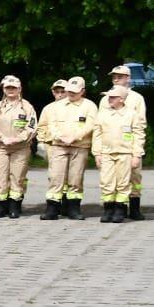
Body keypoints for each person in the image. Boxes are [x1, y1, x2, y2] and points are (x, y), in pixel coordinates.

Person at [38, 75, 97, 220]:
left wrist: (75, 136)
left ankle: (74, 209)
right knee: (55, 177)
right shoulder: (56, 106)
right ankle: (52, 208)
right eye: (69, 90)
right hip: (59, 146)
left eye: (75, 91)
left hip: (79, 146)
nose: (71, 94)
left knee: (75, 178)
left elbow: (91, 125)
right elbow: (51, 124)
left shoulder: (89, 106)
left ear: (82, 91)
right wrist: (60, 136)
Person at [0, 75, 36, 219]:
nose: (11, 90)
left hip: (20, 147)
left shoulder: (27, 107)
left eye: (14, 88)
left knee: (17, 177)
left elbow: (31, 127)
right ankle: (0, 207)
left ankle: (15, 206)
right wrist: (2, 138)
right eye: (8, 88)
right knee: (0, 177)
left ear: (19, 89)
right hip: (0, 147)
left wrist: (17, 139)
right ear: (3, 89)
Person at [102, 64, 148, 220]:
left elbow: (140, 124)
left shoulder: (137, 98)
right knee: (112, 178)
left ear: (128, 78)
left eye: (119, 76)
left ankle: (135, 205)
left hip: (130, 144)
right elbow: (101, 123)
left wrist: (137, 149)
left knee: (135, 176)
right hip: (111, 146)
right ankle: (115, 207)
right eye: (114, 76)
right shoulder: (105, 98)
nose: (116, 79)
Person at [94, 84, 145, 223]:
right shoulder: (102, 114)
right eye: (108, 96)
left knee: (123, 183)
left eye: (112, 97)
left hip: (125, 153)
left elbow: (139, 136)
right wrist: (97, 154)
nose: (109, 99)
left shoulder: (132, 114)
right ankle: (108, 209)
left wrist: (136, 155)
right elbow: (97, 135)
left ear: (121, 99)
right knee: (106, 182)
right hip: (106, 153)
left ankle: (120, 209)